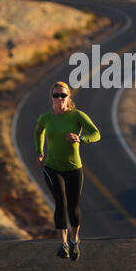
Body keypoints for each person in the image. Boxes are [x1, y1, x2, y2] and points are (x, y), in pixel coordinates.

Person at [34, 81, 101, 260]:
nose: (59, 98)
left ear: (68, 97)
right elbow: (38, 131)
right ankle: (63, 244)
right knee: (60, 202)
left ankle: (74, 239)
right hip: (52, 167)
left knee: (73, 207)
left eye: (63, 95)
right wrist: (40, 152)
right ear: (52, 97)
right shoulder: (45, 118)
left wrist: (80, 139)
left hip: (73, 168)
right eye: (56, 95)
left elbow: (96, 133)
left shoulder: (77, 116)